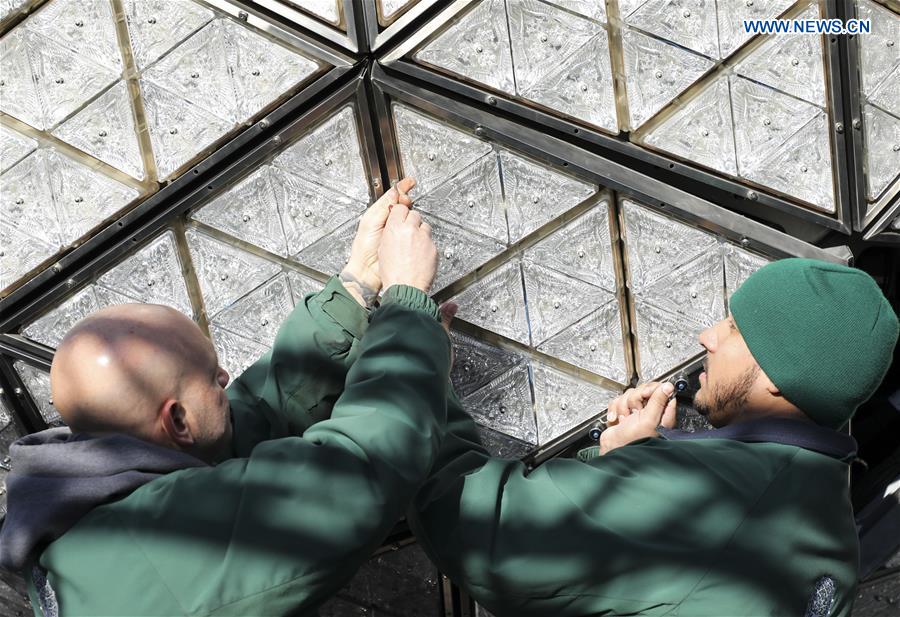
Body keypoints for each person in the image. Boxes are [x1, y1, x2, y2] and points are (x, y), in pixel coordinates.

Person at [0, 178, 456, 617]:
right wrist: (408, 308)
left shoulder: (88, 505)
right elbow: (353, 475)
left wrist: (358, 284)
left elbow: (250, 418)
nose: (225, 376)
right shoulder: (166, 542)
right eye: (210, 375)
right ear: (176, 421)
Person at [408, 258, 898, 617]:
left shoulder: (706, 495)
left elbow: (482, 525)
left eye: (735, 326)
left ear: (781, 374)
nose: (708, 335)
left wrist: (414, 361)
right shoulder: (830, 530)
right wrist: (630, 466)